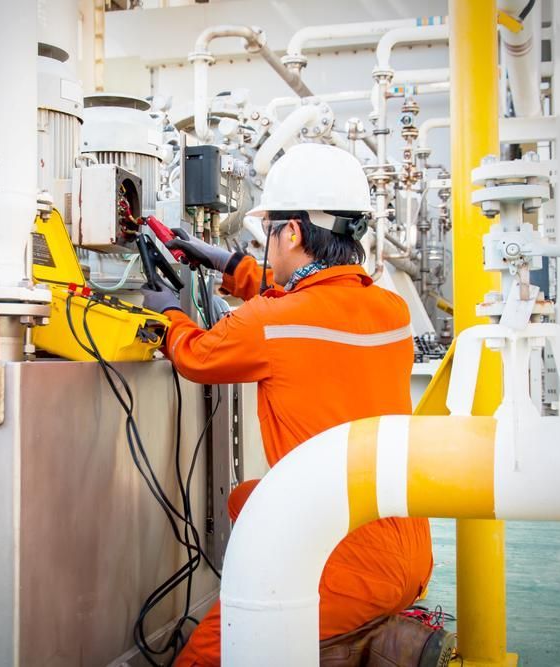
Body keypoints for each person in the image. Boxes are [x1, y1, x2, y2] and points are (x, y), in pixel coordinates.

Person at [142, 144, 451, 666]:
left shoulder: (270, 322)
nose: (266, 243)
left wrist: (167, 313)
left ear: (292, 233)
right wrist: (231, 265)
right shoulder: (392, 311)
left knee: (202, 657)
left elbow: (196, 355)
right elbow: (314, 302)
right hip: (409, 555)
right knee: (246, 499)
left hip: (345, 569)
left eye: (269, 232)